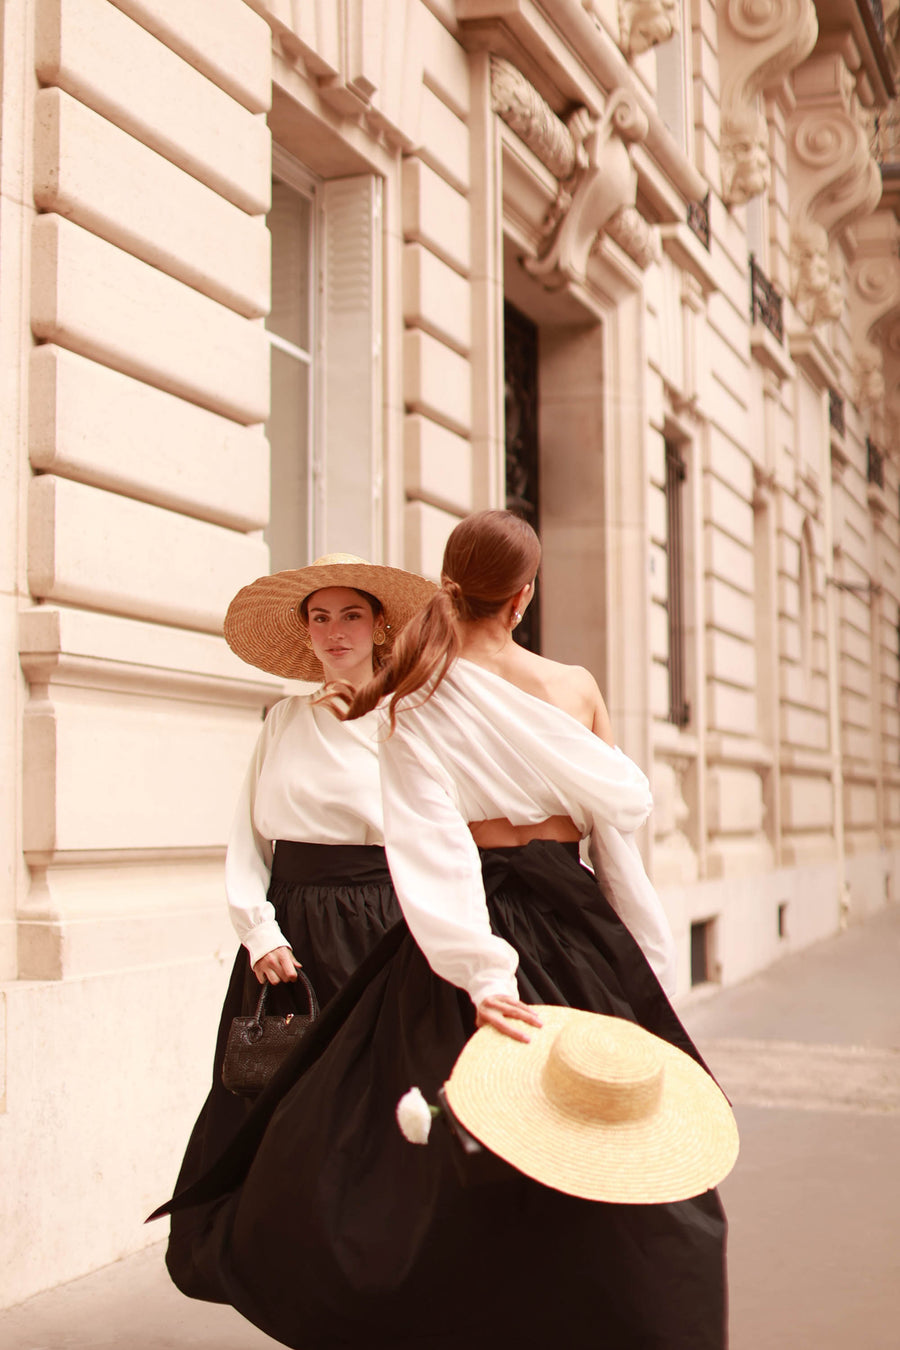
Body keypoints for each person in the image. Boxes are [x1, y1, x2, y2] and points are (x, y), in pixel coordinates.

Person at [155, 516, 728, 1350]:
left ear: (447, 587)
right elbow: (620, 831)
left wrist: (482, 973)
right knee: (610, 1125)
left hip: (474, 925)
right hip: (578, 923)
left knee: (429, 1148)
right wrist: (640, 952)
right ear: (524, 598)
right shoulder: (574, 685)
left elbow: (430, 845)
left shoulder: (419, 695)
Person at [164, 552, 436, 1296]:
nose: (334, 631)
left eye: (350, 614)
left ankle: (370, 1270)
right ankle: (284, 1263)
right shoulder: (283, 719)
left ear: (380, 626)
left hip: (383, 928)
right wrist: (261, 932)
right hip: (288, 938)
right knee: (274, 1103)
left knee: (372, 1106)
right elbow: (247, 838)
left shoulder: (407, 720)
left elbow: (434, 836)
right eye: (319, 618)